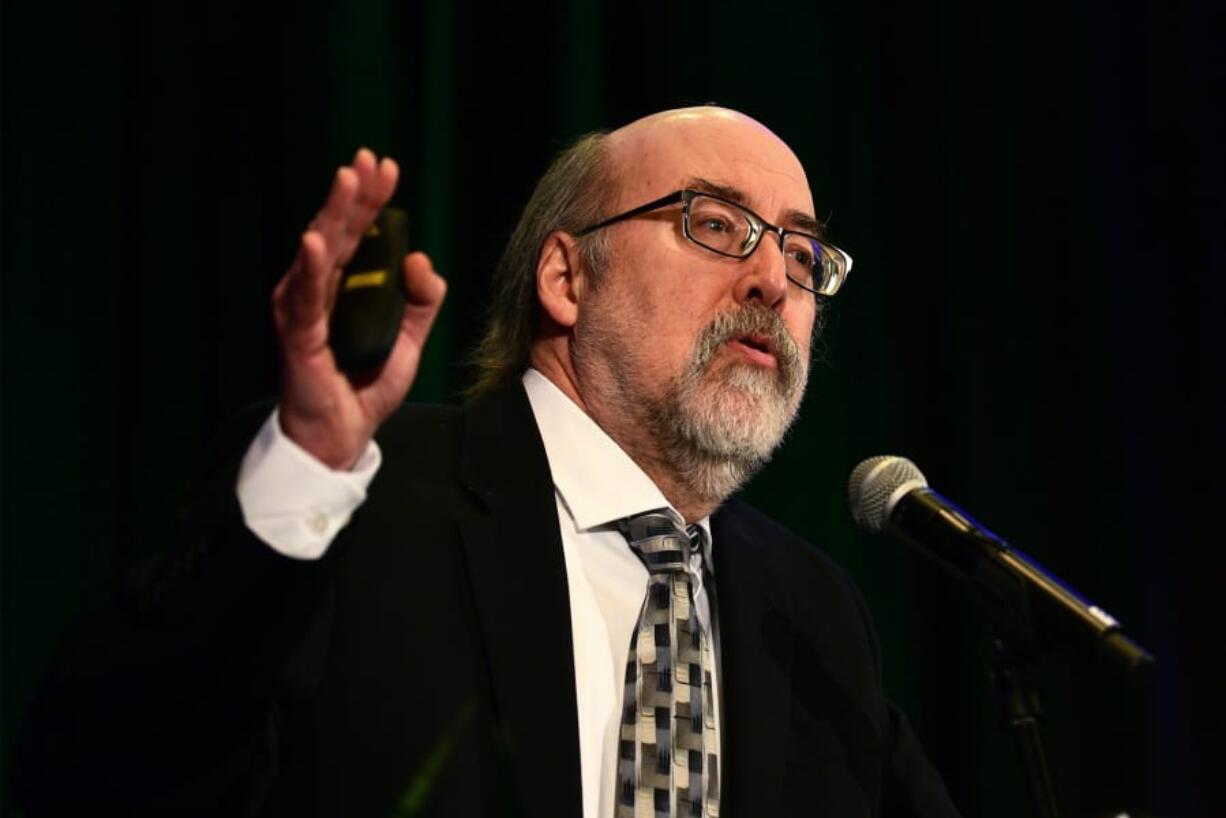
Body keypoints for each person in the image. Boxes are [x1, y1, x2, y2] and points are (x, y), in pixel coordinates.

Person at [14, 107, 959, 817]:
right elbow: (101, 766)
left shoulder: (812, 615)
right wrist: (305, 471)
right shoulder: (363, 500)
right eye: (715, 224)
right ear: (567, 277)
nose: (770, 278)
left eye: (803, 254)